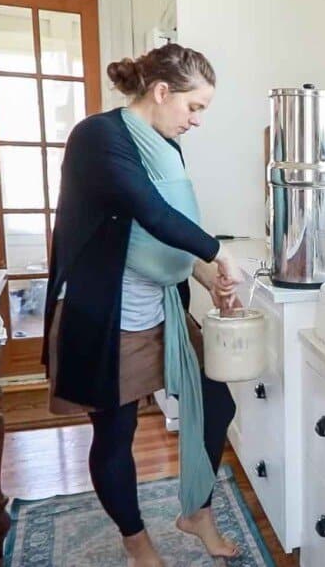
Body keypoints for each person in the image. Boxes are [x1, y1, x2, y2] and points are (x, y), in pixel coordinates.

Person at [43, 44, 245, 566]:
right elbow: (148, 211)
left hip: (162, 306)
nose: (197, 121)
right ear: (161, 92)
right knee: (116, 434)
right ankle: (137, 543)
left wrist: (204, 274)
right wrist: (220, 253)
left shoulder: (165, 146)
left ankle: (195, 511)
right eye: (194, 108)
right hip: (104, 311)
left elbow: (166, 234)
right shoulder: (97, 138)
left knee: (217, 403)